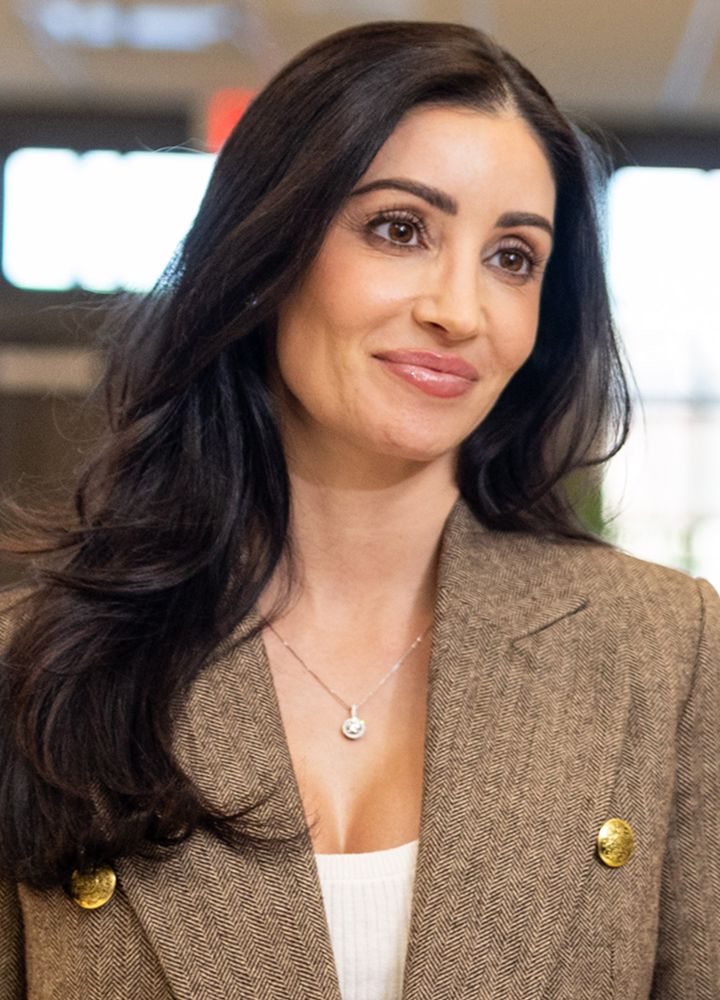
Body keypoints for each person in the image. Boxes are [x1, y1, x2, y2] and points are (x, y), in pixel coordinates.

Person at [0, 19, 718, 1000]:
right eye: (400, 229)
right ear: (272, 249)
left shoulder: (665, 652)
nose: (458, 310)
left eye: (513, 257)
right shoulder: (38, 660)